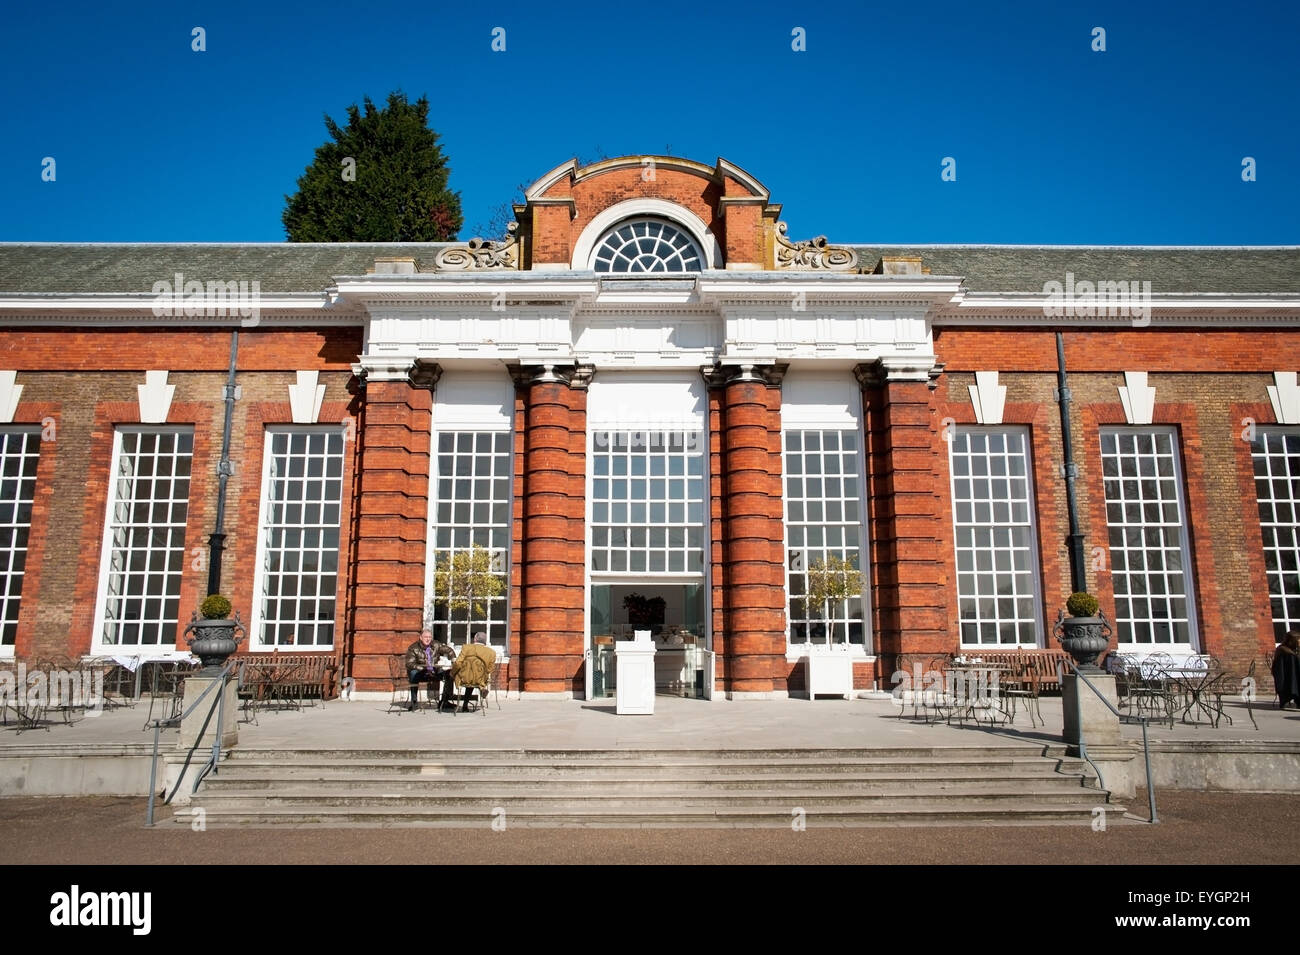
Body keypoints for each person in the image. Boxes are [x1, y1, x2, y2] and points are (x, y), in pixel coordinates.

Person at [404, 628, 454, 711]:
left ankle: (444, 701)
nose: (428, 639)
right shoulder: (413, 648)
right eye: (426, 637)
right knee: (413, 673)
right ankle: (414, 701)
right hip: (421, 673)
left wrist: (453, 660)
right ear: (421, 637)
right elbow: (409, 663)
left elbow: (449, 650)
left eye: (429, 637)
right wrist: (422, 667)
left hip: (434, 671)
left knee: (450, 674)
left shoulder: (436, 645)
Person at [451, 632, 497, 712]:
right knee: (475, 677)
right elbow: (490, 669)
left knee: (455, 675)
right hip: (480, 680)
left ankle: (446, 701)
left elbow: (458, 663)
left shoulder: (466, 648)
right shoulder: (491, 652)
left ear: (475, 639)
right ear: (485, 641)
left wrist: (452, 673)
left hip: (464, 678)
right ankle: (481, 688)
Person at [1272, 631, 1300, 709]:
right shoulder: (1284, 651)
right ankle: (1286, 700)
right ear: (1291, 641)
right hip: (1286, 675)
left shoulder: (1294, 650)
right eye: (1298, 640)